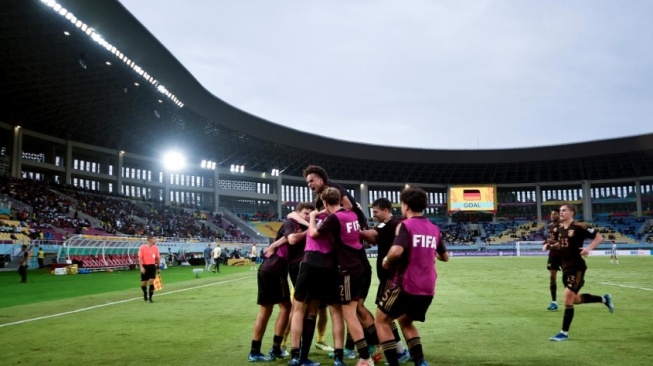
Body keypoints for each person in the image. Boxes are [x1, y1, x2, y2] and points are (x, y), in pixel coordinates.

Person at [375, 186, 449, 366]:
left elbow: (396, 250)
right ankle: (420, 362)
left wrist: (386, 260)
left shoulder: (405, 225)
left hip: (407, 284)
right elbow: (445, 257)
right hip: (428, 288)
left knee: (381, 320)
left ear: (406, 206)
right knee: (405, 321)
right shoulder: (434, 228)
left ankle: (393, 363)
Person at [310, 187, 375, 366]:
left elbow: (314, 234)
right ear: (339, 199)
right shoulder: (351, 214)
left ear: (324, 202)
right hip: (360, 266)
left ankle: (365, 358)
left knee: (349, 314)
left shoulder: (334, 218)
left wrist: (312, 217)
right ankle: (378, 347)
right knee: (357, 310)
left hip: (347, 270)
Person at [545, 203, 614, 341]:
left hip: (577, 268)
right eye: (560, 211)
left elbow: (599, 237)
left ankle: (563, 333)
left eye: (564, 210)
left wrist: (589, 248)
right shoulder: (559, 228)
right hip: (565, 267)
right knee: (575, 299)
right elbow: (563, 244)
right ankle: (604, 299)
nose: (561, 213)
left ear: (572, 212)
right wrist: (551, 245)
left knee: (567, 296)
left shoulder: (580, 227)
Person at [360, 198, 411, 363]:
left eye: (375, 212)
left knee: (384, 315)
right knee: (387, 314)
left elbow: (370, 235)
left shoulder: (391, 223)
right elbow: (373, 239)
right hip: (388, 276)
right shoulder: (387, 225)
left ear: (385, 210)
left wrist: (349, 227)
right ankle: (401, 349)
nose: (374, 215)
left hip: (392, 276)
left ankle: (400, 351)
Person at [247, 229, 293, 362]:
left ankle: (255, 351)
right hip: (275, 269)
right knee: (286, 308)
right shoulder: (293, 227)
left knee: (266, 310)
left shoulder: (289, 228)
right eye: (305, 213)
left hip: (266, 268)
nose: (307, 215)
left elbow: (275, 245)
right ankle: (275, 348)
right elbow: (290, 238)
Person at [543, 208, 561, 311]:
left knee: (567, 278)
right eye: (551, 214)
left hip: (562, 253)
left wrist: (550, 241)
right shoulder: (549, 226)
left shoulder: (562, 226)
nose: (552, 216)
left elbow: (562, 240)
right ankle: (554, 302)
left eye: (554, 214)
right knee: (552, 277)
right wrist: (546, 242)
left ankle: (572, 296)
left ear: (558, 215)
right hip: (553, 254)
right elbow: (551, 239)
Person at [138, 235, 161, 303]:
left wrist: (158, 267)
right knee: (143, 283)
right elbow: (140, 258)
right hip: (145, 266)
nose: (155, 240)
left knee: (151, 281)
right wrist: (141, 267)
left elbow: (158, 258)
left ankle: (150, 298)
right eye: (154, 239)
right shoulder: (142, 248)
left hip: (152, 266)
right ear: (150, 240)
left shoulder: (156, 248)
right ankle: (145, 293)